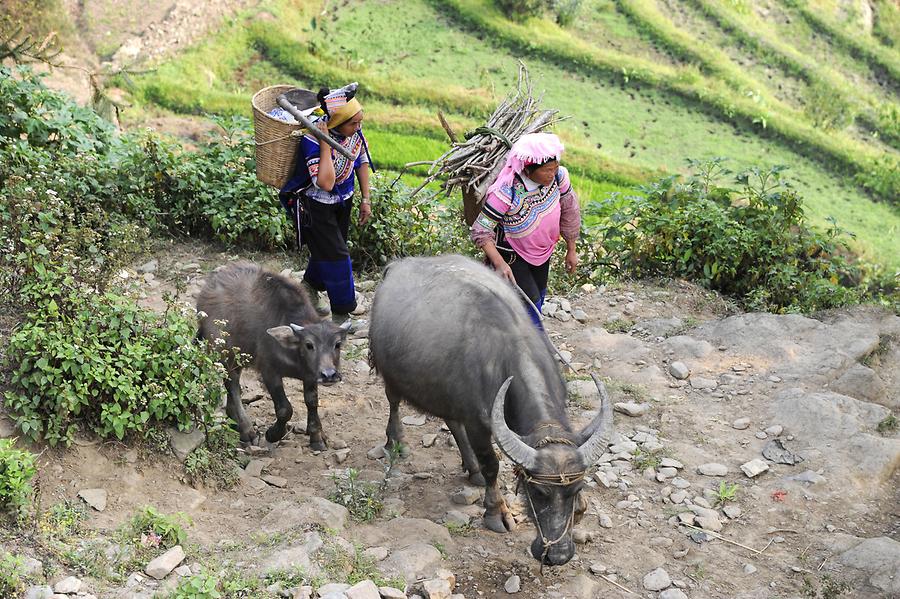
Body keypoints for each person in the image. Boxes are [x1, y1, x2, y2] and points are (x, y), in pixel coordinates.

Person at [279, 82, 373, 324]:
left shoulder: (353, 134)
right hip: (316, 206)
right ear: (336, 123)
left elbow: (361, 161)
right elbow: (326, 183)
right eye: (353, 123)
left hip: (344, 200)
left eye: (359, 121)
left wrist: (366, 199)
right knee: (338, 256)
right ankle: (342, 312)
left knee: (331, 248)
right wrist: (324, 144)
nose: (358, 127)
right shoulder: (311, 141)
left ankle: (309, 288)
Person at [470, 132, 581, 327]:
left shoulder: (559, 177)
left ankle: (521, 342)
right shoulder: (507, 191)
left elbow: (570, 210)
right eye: (547, 170)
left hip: (543, 252)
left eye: (554, 168)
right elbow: (481, 230)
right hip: (513, 256)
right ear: (528, 170)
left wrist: (571, 249)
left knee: (539, 298)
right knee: (531, 305)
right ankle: (530, 348)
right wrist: (500, 263)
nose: (551, 174)